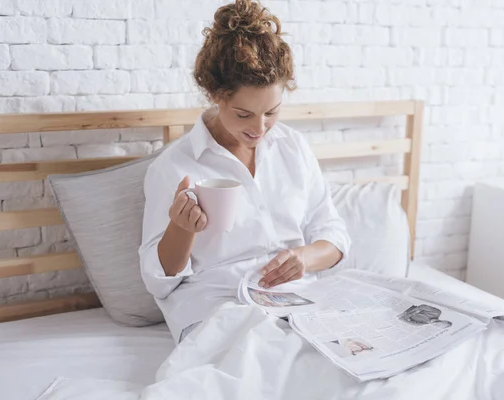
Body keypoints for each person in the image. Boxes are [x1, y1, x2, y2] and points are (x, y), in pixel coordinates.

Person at [138, 0, 350, 343]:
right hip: (216, 307)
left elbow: (335, 234)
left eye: (272, 112)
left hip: (295, 303)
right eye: (243, 114)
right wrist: (181, 228)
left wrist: (304, 258)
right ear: (215, 95)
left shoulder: (292, 148)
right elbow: (158, 279)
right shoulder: (174, 167)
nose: (260, 128)